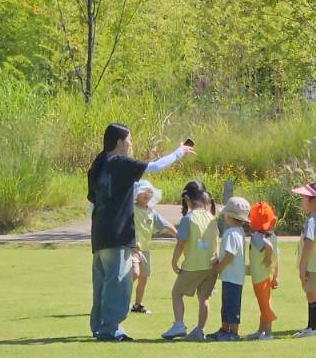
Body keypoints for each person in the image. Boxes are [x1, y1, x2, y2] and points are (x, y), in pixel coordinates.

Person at [86, 124, 193, 341]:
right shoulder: (120, 162)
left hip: (100, 233)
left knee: (102, 282)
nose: (131, 144)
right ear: (119, 142)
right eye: (129, 140)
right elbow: (154, 167)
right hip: (118, 232)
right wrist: (179, 152)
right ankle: (111, 329)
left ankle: (99, 325)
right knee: (118, 281)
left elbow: (92, 199)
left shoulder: (99, 162)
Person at [164, 180, 219, 340]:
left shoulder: (188, 218)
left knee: (177, 293)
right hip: (211, 266)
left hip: (193, 265)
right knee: (204, 298)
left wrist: (174, 262)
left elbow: (181, 243)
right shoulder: (212, 217)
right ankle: (200, 330)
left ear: (187, 198)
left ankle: (179, 324)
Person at [210, 196, 252, 340]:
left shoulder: (232, 233)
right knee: (227, 304)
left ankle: (233, 332)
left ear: (229, 216)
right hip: (232, 276)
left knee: (232, 305)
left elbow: (229, 255)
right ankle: (224, 329)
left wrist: (218, 267)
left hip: (232, 276)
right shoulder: (239, 232)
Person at [131, 181, 176, 315]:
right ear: (136, 194)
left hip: (145, 249)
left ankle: (137, 305)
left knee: (143, 278)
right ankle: (118, 300)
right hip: (132, 249)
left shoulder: (152, 212)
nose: (147, 194)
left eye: (150, 192)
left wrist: (178, 236)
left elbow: (166, 225)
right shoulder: (130, 209)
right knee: (135, 273)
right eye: (144, 191)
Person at [291, 182, 316, 337]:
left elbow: (309, 243)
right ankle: (311, 327)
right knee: (311, 293)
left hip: (313, 264)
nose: (302, 201)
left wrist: (303, 265)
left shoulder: (314, 220)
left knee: (313, 293)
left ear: (314, 200)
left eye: (305, 198)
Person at [247, 201, 281, 340]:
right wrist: (275, 276)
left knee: (264, 304)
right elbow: (277, 257)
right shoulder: (272, 235)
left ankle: (267, 333)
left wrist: (267, 257)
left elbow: (269, 248)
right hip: (267, 275)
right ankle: (262, 330)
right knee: (265, 302)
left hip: (260, 276)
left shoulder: (258, 236)